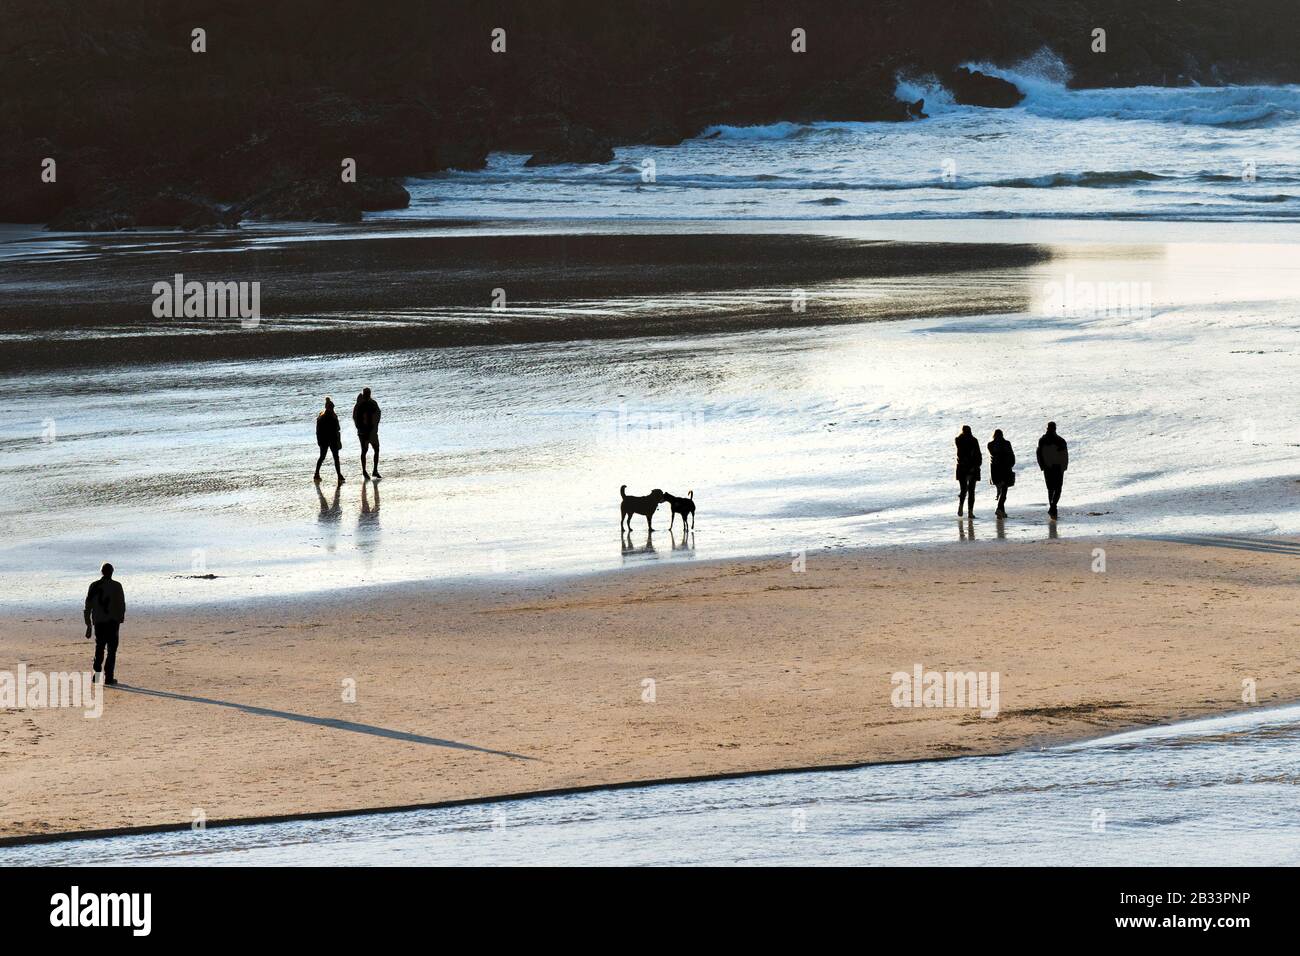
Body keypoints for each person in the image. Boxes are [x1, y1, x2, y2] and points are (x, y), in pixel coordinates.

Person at [84, 563, 125, 685]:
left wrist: (88, 624)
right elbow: (121, 604)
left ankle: (96, 677)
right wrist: (121, 617)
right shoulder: (117, 586)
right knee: (111, 650)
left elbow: (87, 606)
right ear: (112, 572)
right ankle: (109, 677)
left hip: (99, 622)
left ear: (101, 572)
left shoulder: (94, 585)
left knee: (99, 648)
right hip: (112, 622)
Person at [1036, 421, 1069, 519]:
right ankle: (1053, 507)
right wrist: (1064, 466)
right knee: (1057, 488)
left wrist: (1042, 465)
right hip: (1057, 467)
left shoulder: (1042, 440)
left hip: (1048, 467)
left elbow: (1039, 454)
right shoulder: (1060, 440)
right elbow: (1064, 455)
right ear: (1055, 428)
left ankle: (1052, 507)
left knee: (1051, 489)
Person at [352, 387, 382, 480]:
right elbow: (378, 415)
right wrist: (375, 426)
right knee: (372, 450)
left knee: (367, 451)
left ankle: (369, 471)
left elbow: (354, 417)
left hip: (365, 432)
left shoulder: (360, 404)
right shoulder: (371, 403)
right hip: (368, 432)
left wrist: (359, 428)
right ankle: (371, 470)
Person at [314, 396, 345, 483]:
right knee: (335, 457)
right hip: (331, 440)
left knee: (323, 457)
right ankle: (339, 475)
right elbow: (338, 428)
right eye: (332, 408)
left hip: (324, 440)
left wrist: (319, 441)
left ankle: (317, 473)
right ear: (330, 408)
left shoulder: (321, 417)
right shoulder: (331, 417)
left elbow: (318, 431)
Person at [987, 429, 1016, 517]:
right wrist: (1011, 465)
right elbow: (1011, 456)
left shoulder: (990, 445)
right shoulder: (1006, 443)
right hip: (1005, 469)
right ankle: (999, 509)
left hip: (995, 470)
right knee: (1004, 491)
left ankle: (1001, 512)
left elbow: (994, 456)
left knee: (1000, 490)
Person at [954, 424, 982, 517]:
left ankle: (960, 507)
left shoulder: (958, 440)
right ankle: (970, 512)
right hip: (972, 467)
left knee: (963, 489)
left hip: (962, 467)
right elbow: (978, 455)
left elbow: (960, 455)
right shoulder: (974, 441)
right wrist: (976, 465)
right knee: (971, 491)